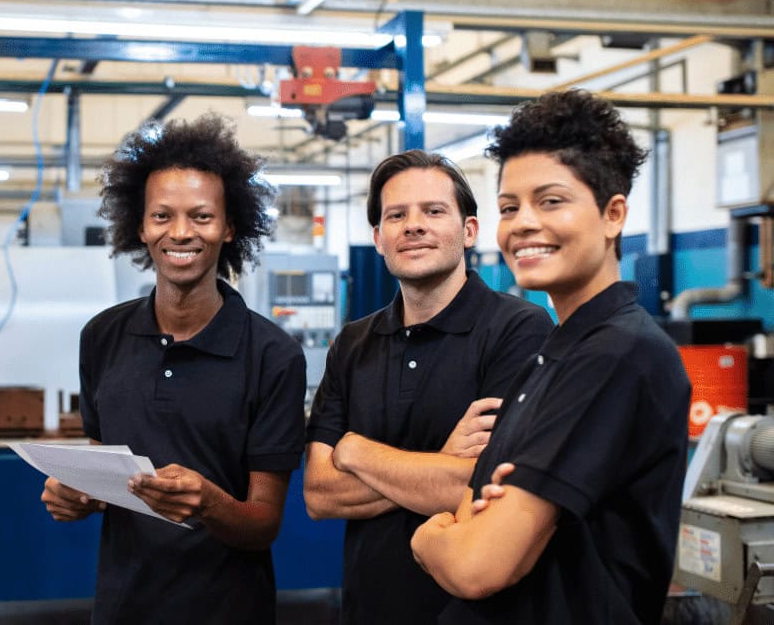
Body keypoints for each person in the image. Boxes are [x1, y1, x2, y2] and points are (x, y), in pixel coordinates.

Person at [411, 89, 691, 625]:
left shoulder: (617, 357)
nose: (523, 224)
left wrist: (429, 538)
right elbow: (475, 511)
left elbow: (477, 565)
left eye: (552, 201)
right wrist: (470, 527)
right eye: (510, 207)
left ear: (613, 215)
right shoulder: (553, 355)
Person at [40, 113, 307, 624]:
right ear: (140, 226)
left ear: (230, 228)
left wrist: (209, 503)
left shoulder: (273, 356)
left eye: (201, 217)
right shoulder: (102, 337)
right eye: (162, 216)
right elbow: (105, 463)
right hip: (122, 607)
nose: (180, 233)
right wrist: (77, 492)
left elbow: (264, 523)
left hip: (229, 611)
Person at [304, 149, 552, 624]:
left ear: (469, 230)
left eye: (434, 211)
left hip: (477, 614)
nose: (413, 225)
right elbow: (319, 494)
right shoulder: (353, 343)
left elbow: (485, 485)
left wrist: (356, 452)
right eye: (396, 215)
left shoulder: (519, 329)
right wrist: (443, 460)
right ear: (379, 238)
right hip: (368, 609)